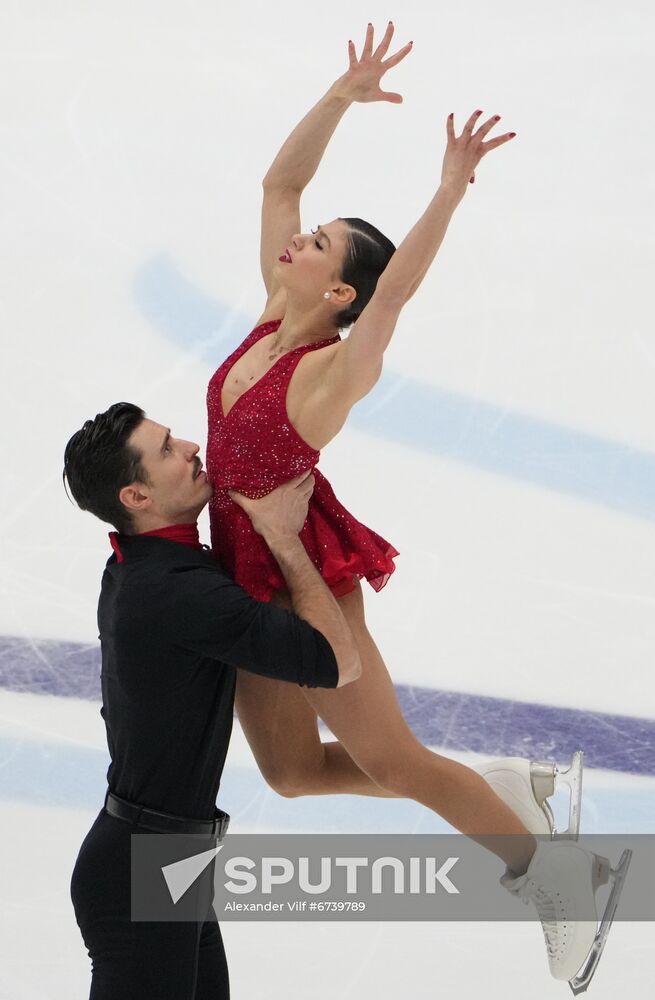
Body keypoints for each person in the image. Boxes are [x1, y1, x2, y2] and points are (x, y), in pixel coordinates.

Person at [204, 21, 630, 989]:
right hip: (240, 571)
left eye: (317, 245)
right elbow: (278, 185)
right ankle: (503, 792)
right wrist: (338, 97)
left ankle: (562, 878)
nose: (296, 239)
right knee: (289, 770)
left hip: (296, 575)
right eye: (304, 239)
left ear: (338, 285)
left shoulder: (323, 374)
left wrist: (445, 192)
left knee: (392, 762)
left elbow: (391, 298)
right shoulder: (273, 315)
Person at [63, 401, 362, 1000]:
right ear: (136, 497)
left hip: (164, 860)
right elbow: (339, 659)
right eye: (169, 449)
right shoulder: (174, 593)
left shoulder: (141, 566)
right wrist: (281, 534)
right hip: (141, 871)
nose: (193, 447)